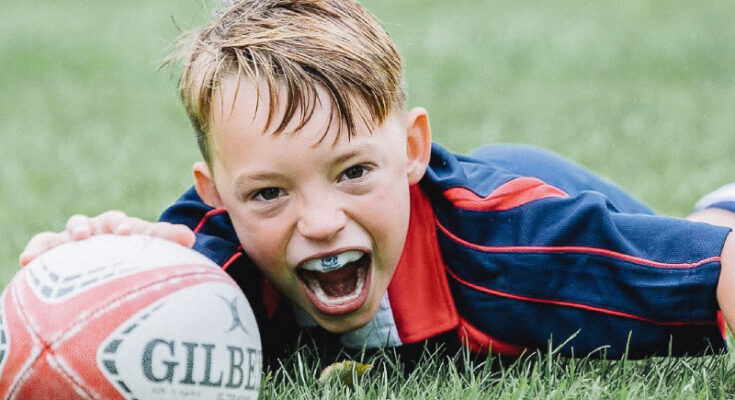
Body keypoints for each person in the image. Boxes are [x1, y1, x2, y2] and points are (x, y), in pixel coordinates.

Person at [19, 0, 735, 363]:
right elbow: (94, 325)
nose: (322, 220)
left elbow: (712, 279)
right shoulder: (208, 264)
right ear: (217, 194)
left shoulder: (512, 255)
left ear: (409, 148)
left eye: (353, 171)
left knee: (697, 240)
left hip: (522, 180)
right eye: (269, 193)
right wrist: (95, 270)